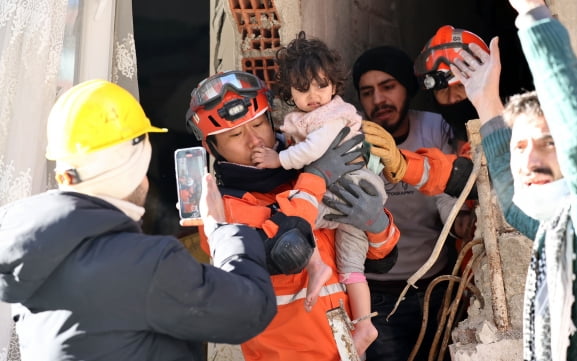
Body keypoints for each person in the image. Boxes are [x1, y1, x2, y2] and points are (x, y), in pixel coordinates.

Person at [0, 79, 277, 361]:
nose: (146, 180)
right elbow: (251, 309)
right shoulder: (146, 265)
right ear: (128, 166)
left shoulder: (30, 251)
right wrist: (221, 228)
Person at [185, 70, 400, 360]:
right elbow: (290, 249)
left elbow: (381, 258)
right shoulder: (222, 209)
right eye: (236, 134)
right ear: (209, 147)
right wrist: (316, 177)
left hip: (347, 347)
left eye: (259, 124)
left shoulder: (304, 164)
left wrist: (378, 224)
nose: (254, 140)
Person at [450, 0, 577, 360]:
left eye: (549, 143)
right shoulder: (555, 227)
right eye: (520, 146)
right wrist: (485, 102)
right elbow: (512, 204)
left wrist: (532, 13)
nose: (529, 159)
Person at [251, 31, 385, 353]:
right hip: (356, 197)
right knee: (352, 268)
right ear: (288, 92)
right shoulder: (312, 116)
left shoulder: (330, 117)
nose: (314, 95)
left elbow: (312, 152)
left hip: (350, 190)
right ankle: (365, 324)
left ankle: (314, 265)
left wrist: (277, 159)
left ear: (335, 85)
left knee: (296, 218)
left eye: (321, 85)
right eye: (302, 88)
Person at [353, 45, 474, 361]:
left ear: (408, 87)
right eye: (367, 92)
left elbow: (446, 192)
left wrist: (458, 216)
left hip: (436, 286)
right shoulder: (353, 141)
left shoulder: (434, 127)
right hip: (379, 297)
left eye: (388, 87)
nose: (378, 100)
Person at [414, 25, 490, 155]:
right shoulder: (437, 137)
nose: (452, 98)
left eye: (461, 86)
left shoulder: (518, 127)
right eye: (443, 91)